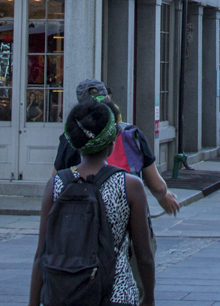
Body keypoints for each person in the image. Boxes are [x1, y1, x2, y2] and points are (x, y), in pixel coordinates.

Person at [28, 98, 155, 306]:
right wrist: (148, 298)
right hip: (116, 293)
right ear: (111, 143)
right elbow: (144, 256)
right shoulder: (130, 186)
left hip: (63, 294)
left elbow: (41, 254)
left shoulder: (56, 184)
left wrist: (33, 303)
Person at [53, 79, 180, 216]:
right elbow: (157, 186)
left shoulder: (70, 138)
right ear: (108, 99)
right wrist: (162, 195)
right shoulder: (131, 134)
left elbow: (55, 183)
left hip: (80, 222)